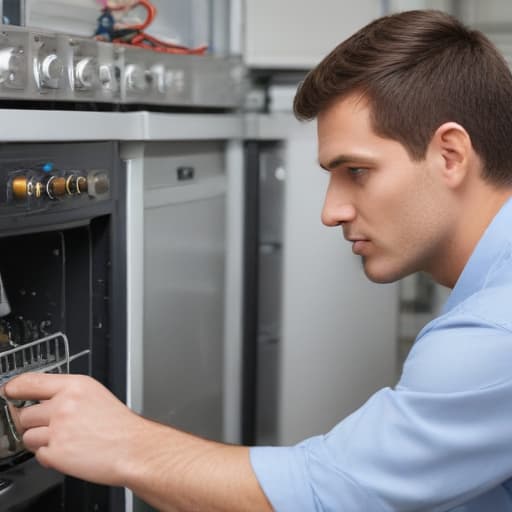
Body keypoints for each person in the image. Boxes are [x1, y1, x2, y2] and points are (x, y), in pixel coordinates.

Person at [4, 8, 512, 511]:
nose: (330, 212)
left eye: (357, 171)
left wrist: (123, 443)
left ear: (450, 154)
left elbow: (331, 496)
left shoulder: (494, 332)